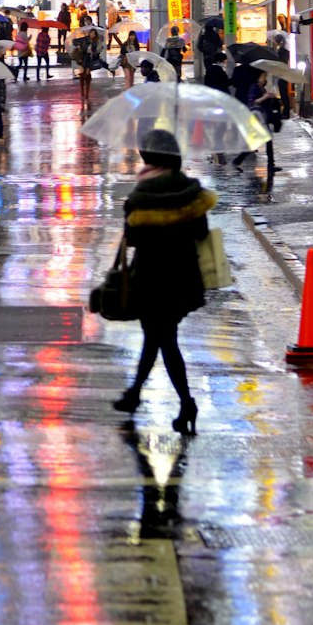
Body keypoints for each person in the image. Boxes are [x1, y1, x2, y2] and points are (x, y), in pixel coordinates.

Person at [112, 128, 216, 434]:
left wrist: (129, 216)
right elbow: (201, 234)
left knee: (161, 339)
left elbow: (133, 239)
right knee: (159, 337)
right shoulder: (192, 191)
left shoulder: (141, 194)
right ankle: (138, 395)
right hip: (182, 278)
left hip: (151, 276)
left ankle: (181, 402)